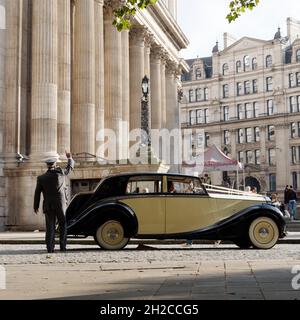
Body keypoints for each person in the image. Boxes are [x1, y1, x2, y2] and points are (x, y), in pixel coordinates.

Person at [34, 151, 75, 253]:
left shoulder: (41, 178)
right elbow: (69, 169)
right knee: (63, 224)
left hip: (48, 205)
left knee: (50, 227)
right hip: (60, 204)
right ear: (55, 164)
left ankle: (50, 248)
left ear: (47, 165)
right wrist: (69, 158)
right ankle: (62, 246)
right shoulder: (60, 172)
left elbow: (37, 193)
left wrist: (36, 206)